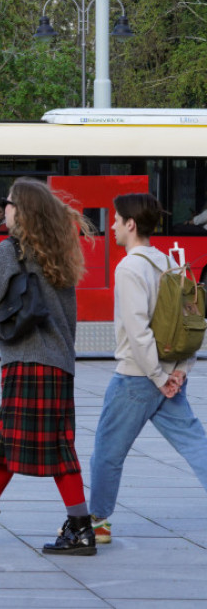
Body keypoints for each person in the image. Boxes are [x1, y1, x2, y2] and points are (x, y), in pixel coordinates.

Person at [0, 178, 98, 555]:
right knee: (8, 441)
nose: (2, 208)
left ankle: (80, 529)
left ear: (20, 211)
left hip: (29, 362)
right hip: (57, 362)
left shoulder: (10, 250)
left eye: (7, 202)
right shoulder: (58, 252)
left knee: (54, 448)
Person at [88, 193, 207, 544]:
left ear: (130, 224)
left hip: (137, 379)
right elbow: (189, 321)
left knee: (107, 452)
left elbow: (138, 332)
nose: (111, 226)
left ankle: (98, 523)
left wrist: (158, 377)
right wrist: (179, 370)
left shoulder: (129, 268)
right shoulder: (168, 261)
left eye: (115, 219)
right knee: (196, 443)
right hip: (171, 375)